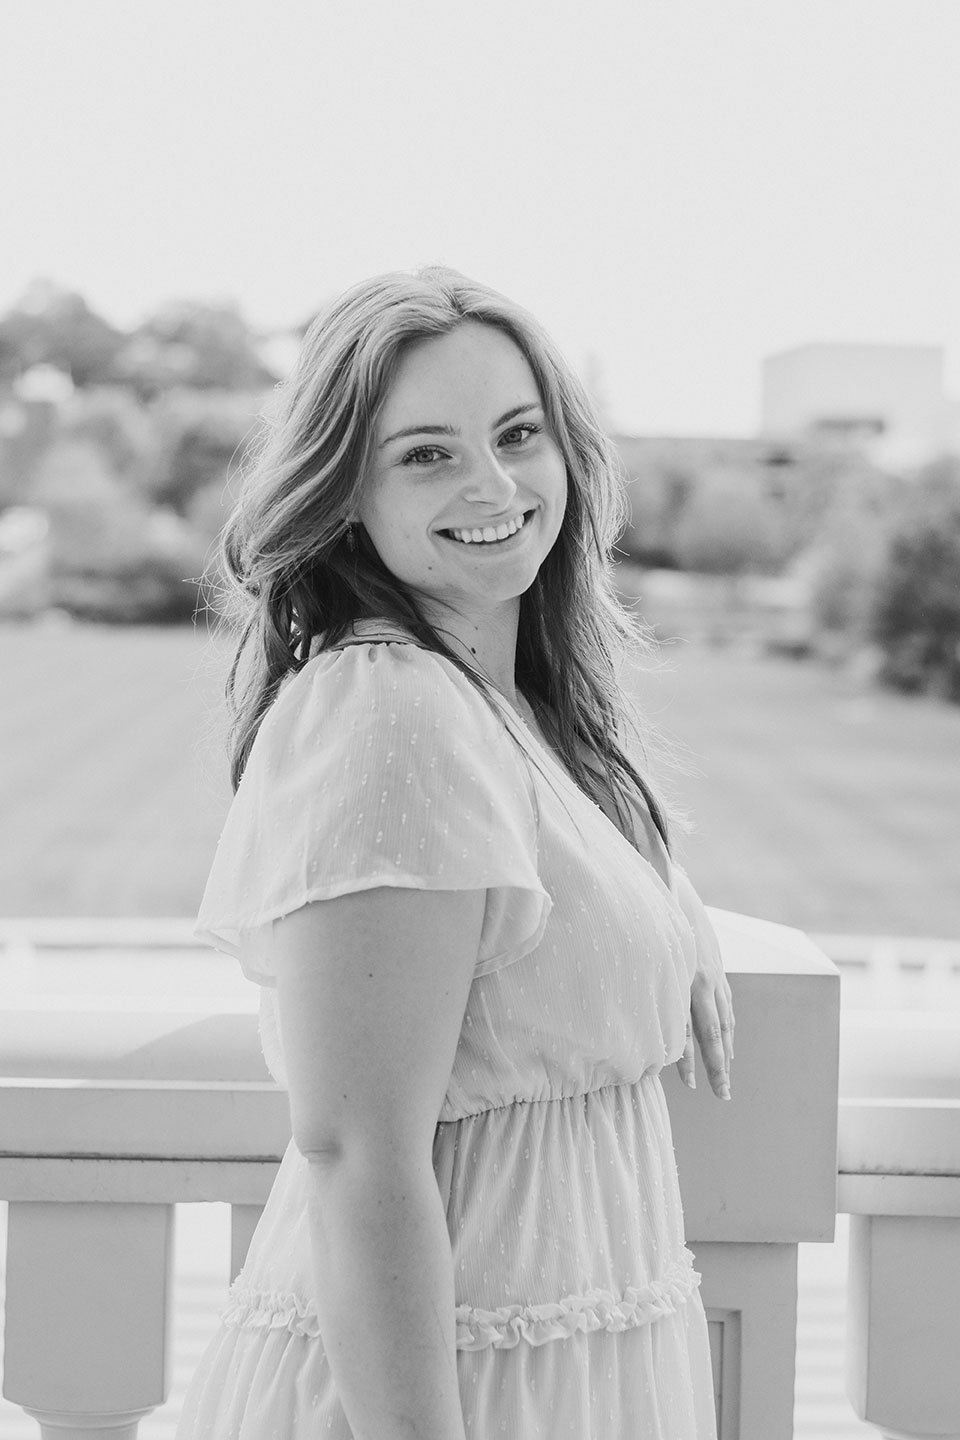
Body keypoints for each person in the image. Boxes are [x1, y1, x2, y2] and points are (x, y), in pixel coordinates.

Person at [178, 265, 735, 1440]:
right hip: (450, 1389)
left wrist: (665, 902)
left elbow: (523, 898)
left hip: (559, 1356)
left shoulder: (498, 707)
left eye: (518, 434)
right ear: (346, 492)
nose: (494, 485)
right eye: (426, 454)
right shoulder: (390, 713)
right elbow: (357, 1154)